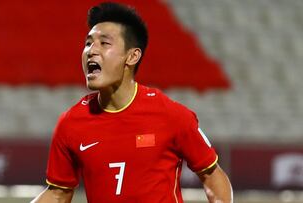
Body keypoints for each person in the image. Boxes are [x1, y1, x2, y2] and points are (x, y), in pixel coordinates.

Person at [31, 2, 233, 203]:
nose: (91, 50)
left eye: (104, 43)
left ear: (132, 56)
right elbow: (58, 194)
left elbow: (212, 176)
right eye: (88, 43)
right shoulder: (70, 123)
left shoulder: (172, 115)